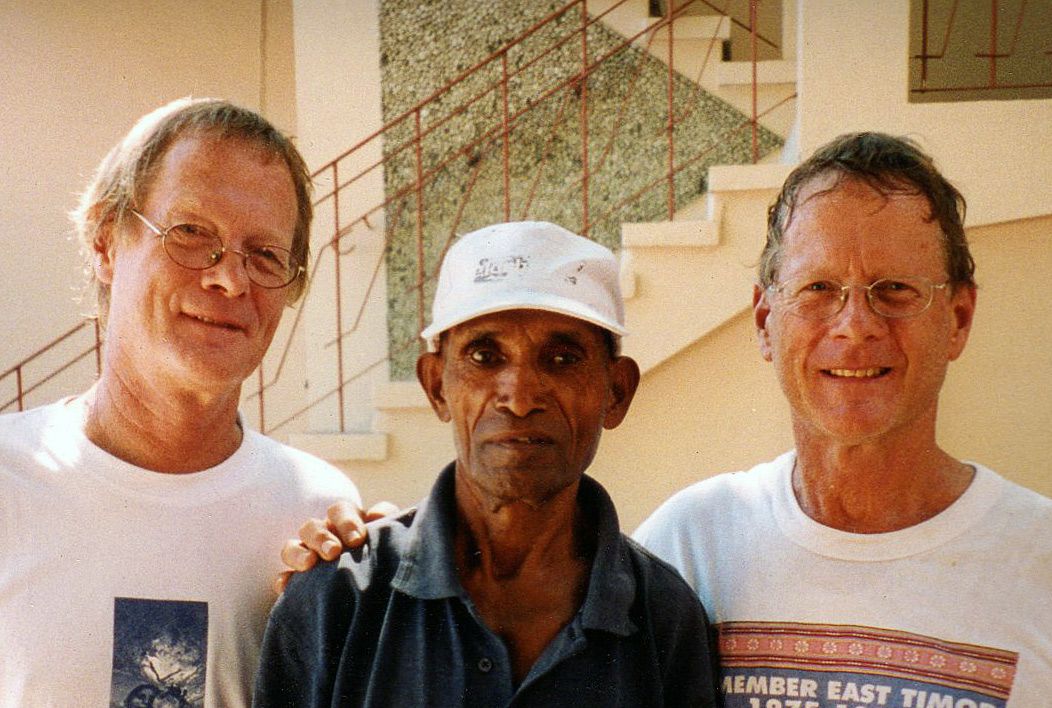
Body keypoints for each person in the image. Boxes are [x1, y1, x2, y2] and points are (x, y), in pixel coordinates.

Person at [634, 132, 1052, 706]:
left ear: (958, 318)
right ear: (764, 321)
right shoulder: (690, 547)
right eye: (819, 288)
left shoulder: (1039, 561)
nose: (855, 326)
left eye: (896, 290)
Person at [254, 221, 719, 706]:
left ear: (616, 392)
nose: (519, 397)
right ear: (437, 386)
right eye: (484, 356)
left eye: (562, 359)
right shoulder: (339, 600)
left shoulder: (663, 616)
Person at [0, 98, 369, 707]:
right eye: (192, 234)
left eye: (265, 255)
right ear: (105, 242)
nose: (230, 279)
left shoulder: (315, 516)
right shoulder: (10, 483)